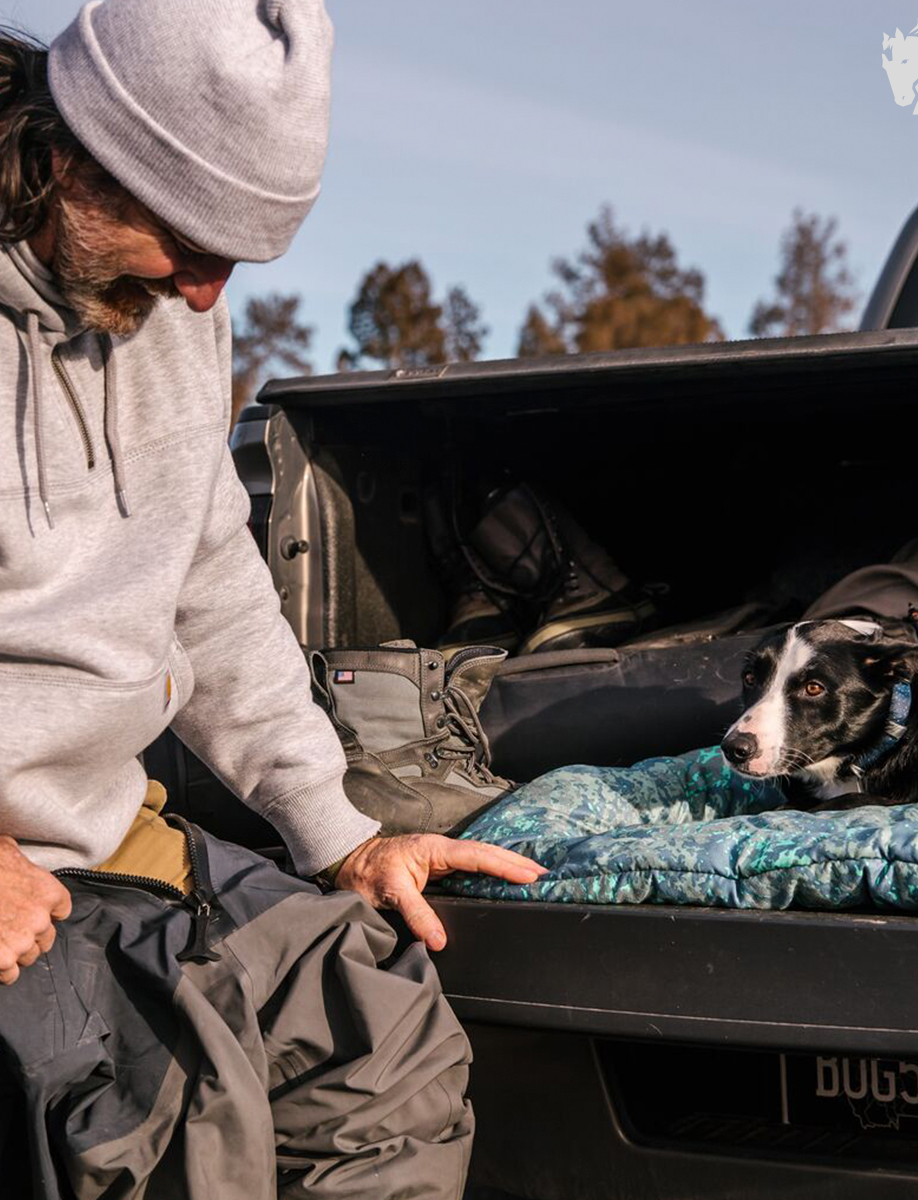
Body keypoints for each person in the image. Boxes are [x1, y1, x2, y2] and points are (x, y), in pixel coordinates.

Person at [0, 2, 545, 1196]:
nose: (207, 297)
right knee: (162, 1120)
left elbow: (209, 578)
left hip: (108, 835)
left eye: (237, 263)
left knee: (376, 1031)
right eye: (190, 243)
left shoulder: (160, 311)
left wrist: (338, 834)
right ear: (74, 160)